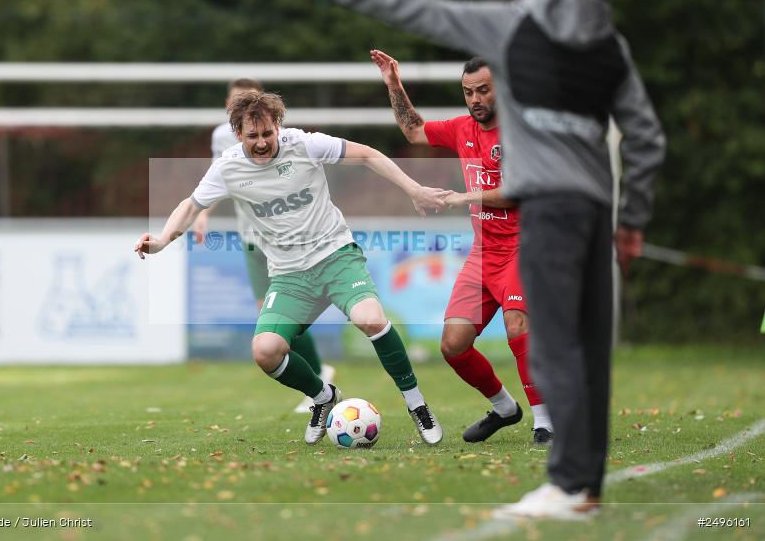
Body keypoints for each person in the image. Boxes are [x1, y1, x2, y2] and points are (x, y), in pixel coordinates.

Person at [273, 0, 666, 519]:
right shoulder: (607, 41)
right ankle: (579, 478)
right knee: (576, 350)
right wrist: (631, 219)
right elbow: (645, 134)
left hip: (545, 220)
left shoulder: (514, 30)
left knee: (544, 340)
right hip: (593, 210)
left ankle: (567, 478)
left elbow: (423, 7)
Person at [136, 91, 448, 446]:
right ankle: (322, 396)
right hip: (289, 274)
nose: (262, 142)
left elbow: (368, 154)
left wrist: (414, 188)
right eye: (252, 136)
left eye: (267, 133)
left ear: (277, 127)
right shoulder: (228, 166)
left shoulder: (304, 144)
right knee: (265, 351)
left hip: (335, 256)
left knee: (371, 318)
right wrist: (161, 240)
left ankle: (416, 403)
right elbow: (190, 206)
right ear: (238, 134)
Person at [371, 50, 551, 446]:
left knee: (518, 324)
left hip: (523, 248)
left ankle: (546, 422)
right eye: (468, 92)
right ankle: (505, 407)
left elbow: (518, 192)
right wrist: (394, 84)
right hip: (483, 255)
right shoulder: (461, 128)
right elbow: (415, 132)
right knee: (453, 345)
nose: (475, 100)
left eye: (483, 90)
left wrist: (461, 197)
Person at [193, 78, 335, 414]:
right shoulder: (221, 137)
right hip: (250, 238)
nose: (237, 105)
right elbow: (217, 180)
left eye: (244, 99)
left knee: (286, 312)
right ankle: (319, 376)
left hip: (283, 239)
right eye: (233, 101)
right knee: (267, 310)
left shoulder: (277, 138)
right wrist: (202, 215)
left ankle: (317, 377)